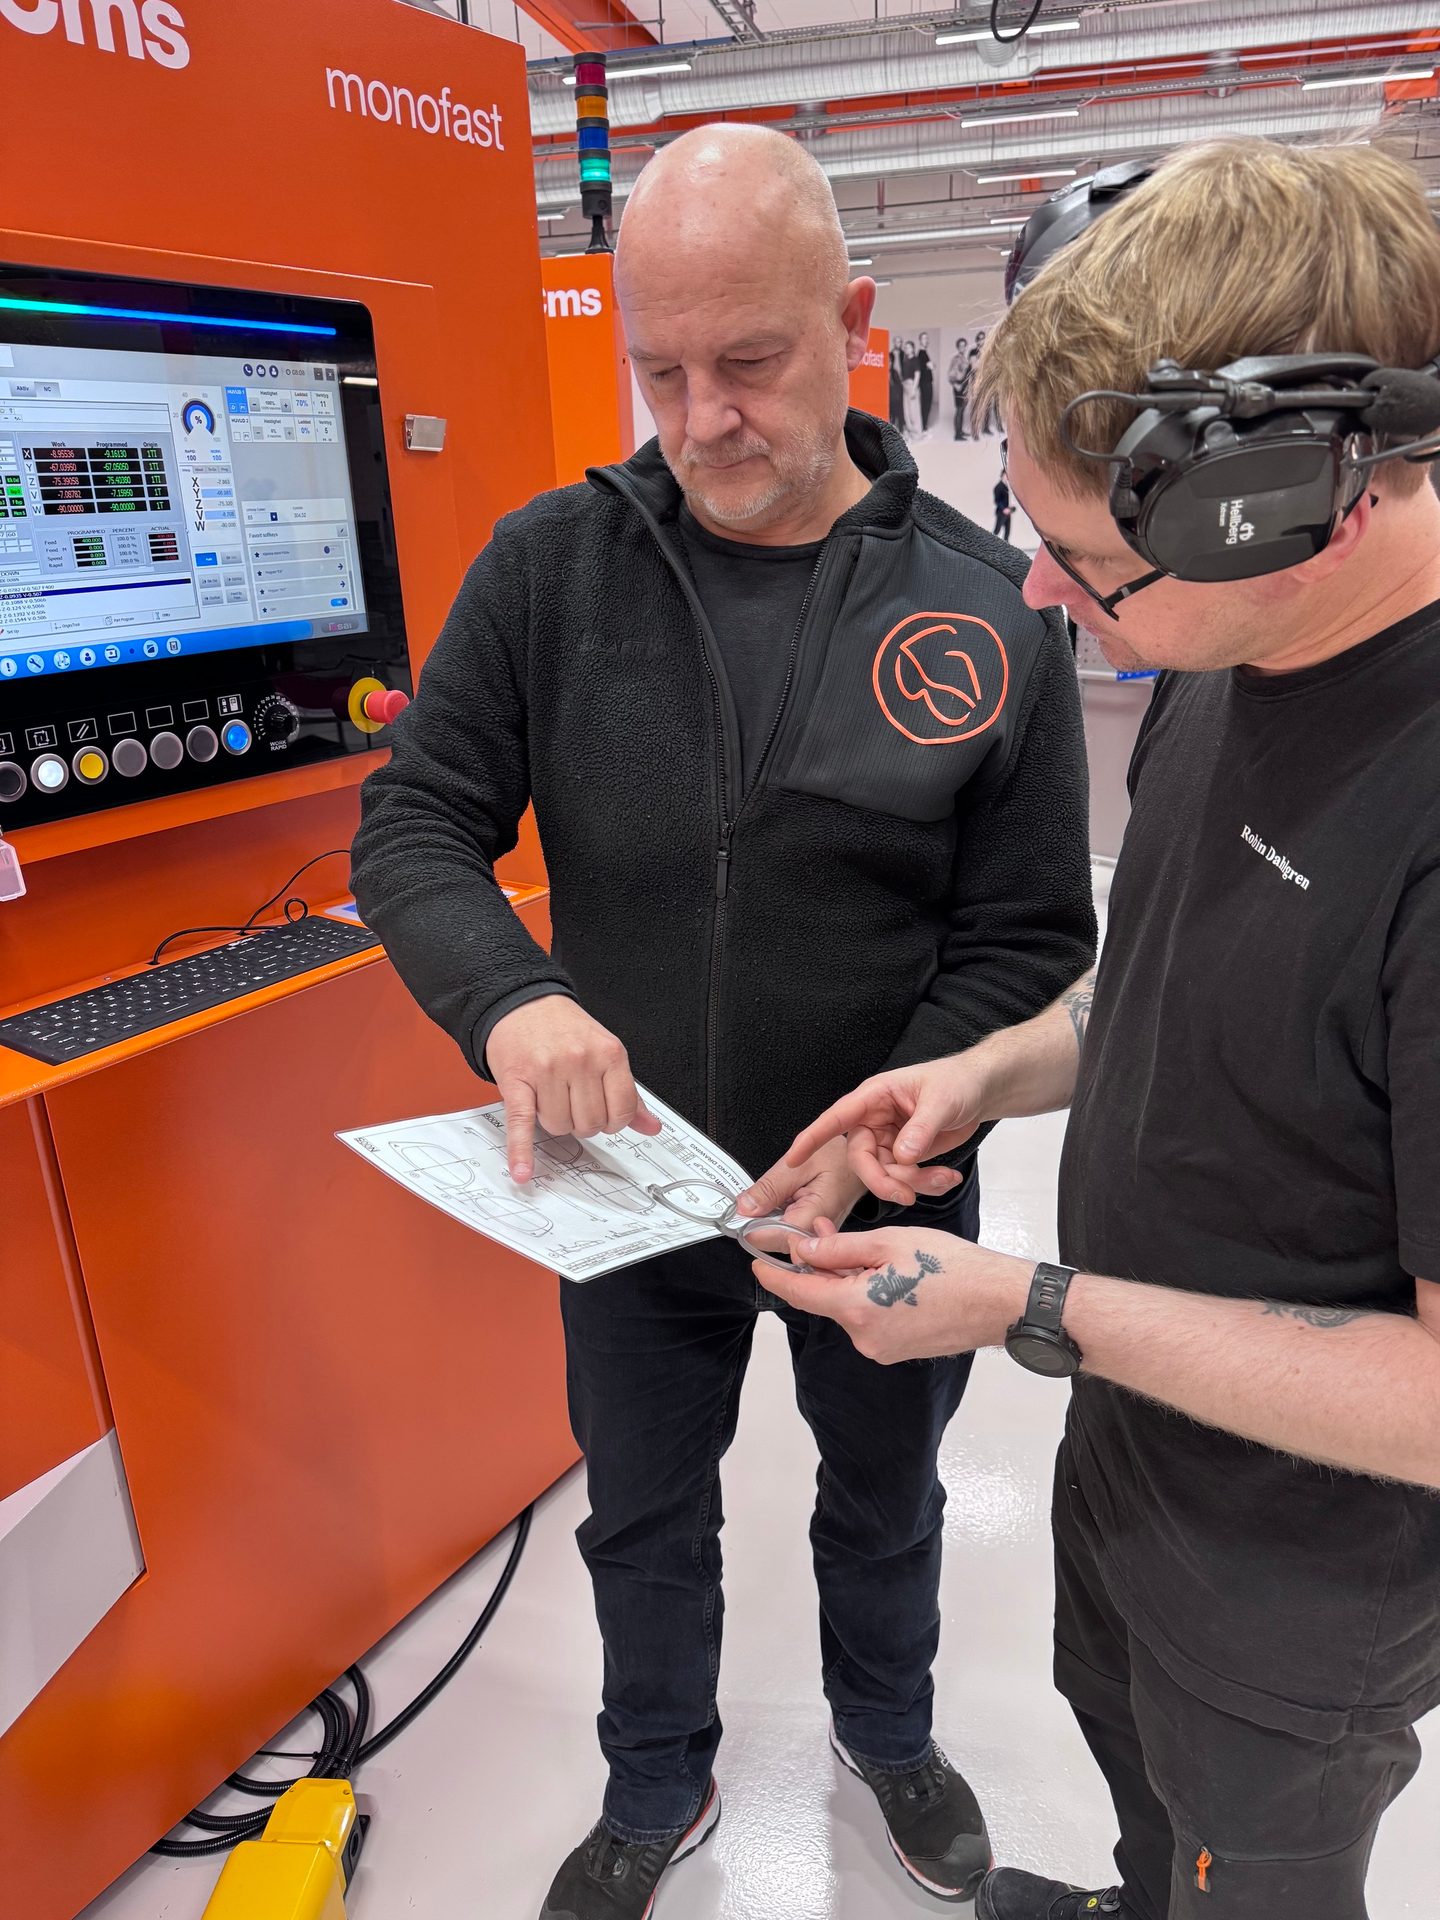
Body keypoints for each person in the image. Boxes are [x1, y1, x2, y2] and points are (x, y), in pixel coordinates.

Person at [350, 123, 1095, 1920]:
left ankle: (888, 1732)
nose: (698, 422)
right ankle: (655, 1778)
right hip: (628, 1191)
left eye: (748, 365)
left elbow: (1028, 937)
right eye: (657, 373)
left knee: (888, 1502)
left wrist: (908, 1123)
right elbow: (414, 824)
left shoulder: (991, 612)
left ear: (851, 326)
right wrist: (512, 1000)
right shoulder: (551, 573)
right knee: (640, 1512)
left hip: (889, 1199)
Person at [741, 138, 1440, 1920]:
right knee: (1135, 1788)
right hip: (1144, 1452)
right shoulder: (1237, 649)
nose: (1042, 600)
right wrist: (990, 1069)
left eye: (1082, 564)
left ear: (1307, 503)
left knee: (1243, 1868)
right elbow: (1193, 978)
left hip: (1299, 1579)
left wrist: (1027, 1306)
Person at [948, 335, 970, 439]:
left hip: (965, 386)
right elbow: (950, 374)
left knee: (962, 409)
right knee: (959, 409)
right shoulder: (956, 359)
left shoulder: (965, 358)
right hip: (958, 386)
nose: (963, 348)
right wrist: (955, 385)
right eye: (961, 346)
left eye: (964, 346)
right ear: (958, 347)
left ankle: (960, 431)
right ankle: (957, 435)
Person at [901, 336, 922, 436]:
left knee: (914, 411)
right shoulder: (905, 360)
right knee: (907, 411)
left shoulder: (915, 359)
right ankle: (911, 432)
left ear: (913, 348)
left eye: (908, 347)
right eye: (905, 347)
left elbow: (917, 374)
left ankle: (917, 433)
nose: (906, 349)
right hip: (905, 387)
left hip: (912, 386)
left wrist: (914, 389)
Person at [917, 328, 935, 434]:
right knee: (926, 404)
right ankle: (924, 427)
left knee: (926, 404)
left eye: (927, 338)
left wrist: (931, 365)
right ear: (920, 340)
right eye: (924, 338)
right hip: (925, 383)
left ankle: (924, 426)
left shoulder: (924, 353)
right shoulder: (921, 353)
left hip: (927, 383)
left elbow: (931, 366)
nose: (926, 340)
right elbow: (931, 366)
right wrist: (931, 365)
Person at [888, 341, 905, 432]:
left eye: (890, 361)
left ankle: (900, 429)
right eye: (887, 361)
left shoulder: (895, 372)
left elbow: (899, 386)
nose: (889, 363)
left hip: (896, 399)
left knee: (897, 414)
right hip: (887, 400)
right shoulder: (881, 374)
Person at [992, 472, 1013, 541]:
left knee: (1007, 531)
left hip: (1008, 512)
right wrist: (1003, 509)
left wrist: (1010, 508)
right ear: (1002, 475)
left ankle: (1006, 545)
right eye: (1006, 475)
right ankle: (992, 543)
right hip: (1001, 512)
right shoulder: (998, 487)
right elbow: (997, 500)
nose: (1007, 476)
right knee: (997, 530)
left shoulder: (1007, 486)